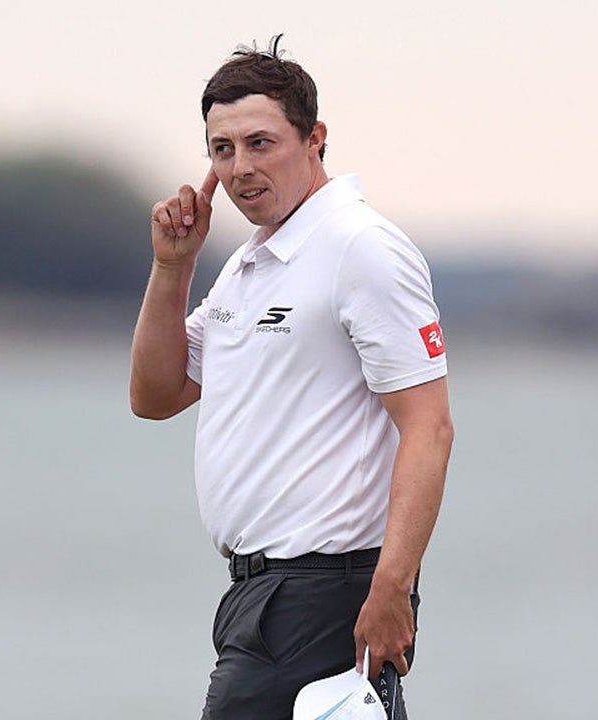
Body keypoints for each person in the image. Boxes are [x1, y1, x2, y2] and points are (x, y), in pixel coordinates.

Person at [129, 36, 453, 720]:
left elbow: (429, 427)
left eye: (260, 143)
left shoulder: (360, 247)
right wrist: (172, 267)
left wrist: (392, 589)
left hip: (328, 592)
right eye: (222, 150)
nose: (241, 167)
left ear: (315, 139)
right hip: (257, 595)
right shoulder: (251, 263)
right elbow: (156, 395)